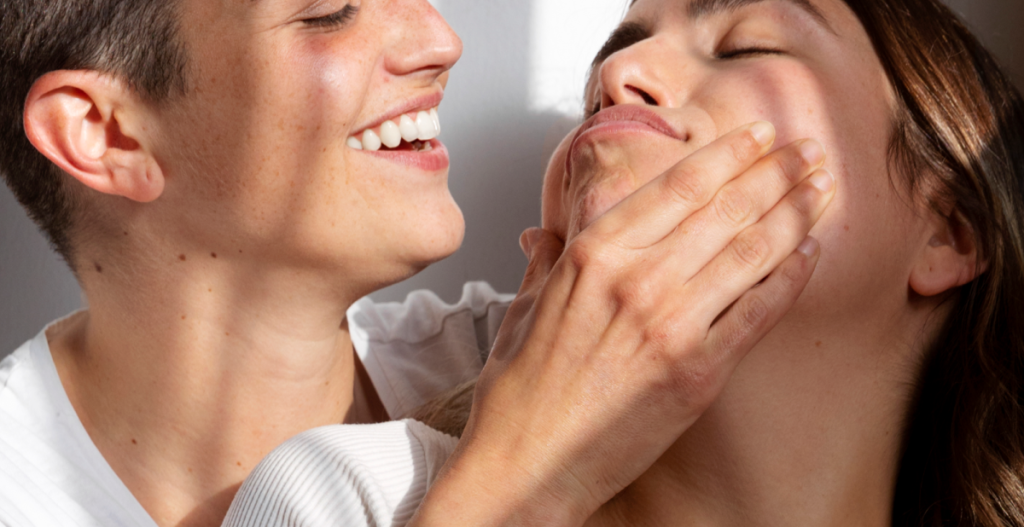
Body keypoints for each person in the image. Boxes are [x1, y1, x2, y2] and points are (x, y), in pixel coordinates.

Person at [0, 0, 832, 526]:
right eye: (330, 13)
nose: (441, 39)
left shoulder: (562, 344)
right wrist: (531, 478)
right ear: (104, 133)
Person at [227, 0, 1024, 525]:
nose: (615, 76)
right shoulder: (350, 497)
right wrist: (528, 486)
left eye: (747, 46)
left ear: (949, 230)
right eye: (597, 86)